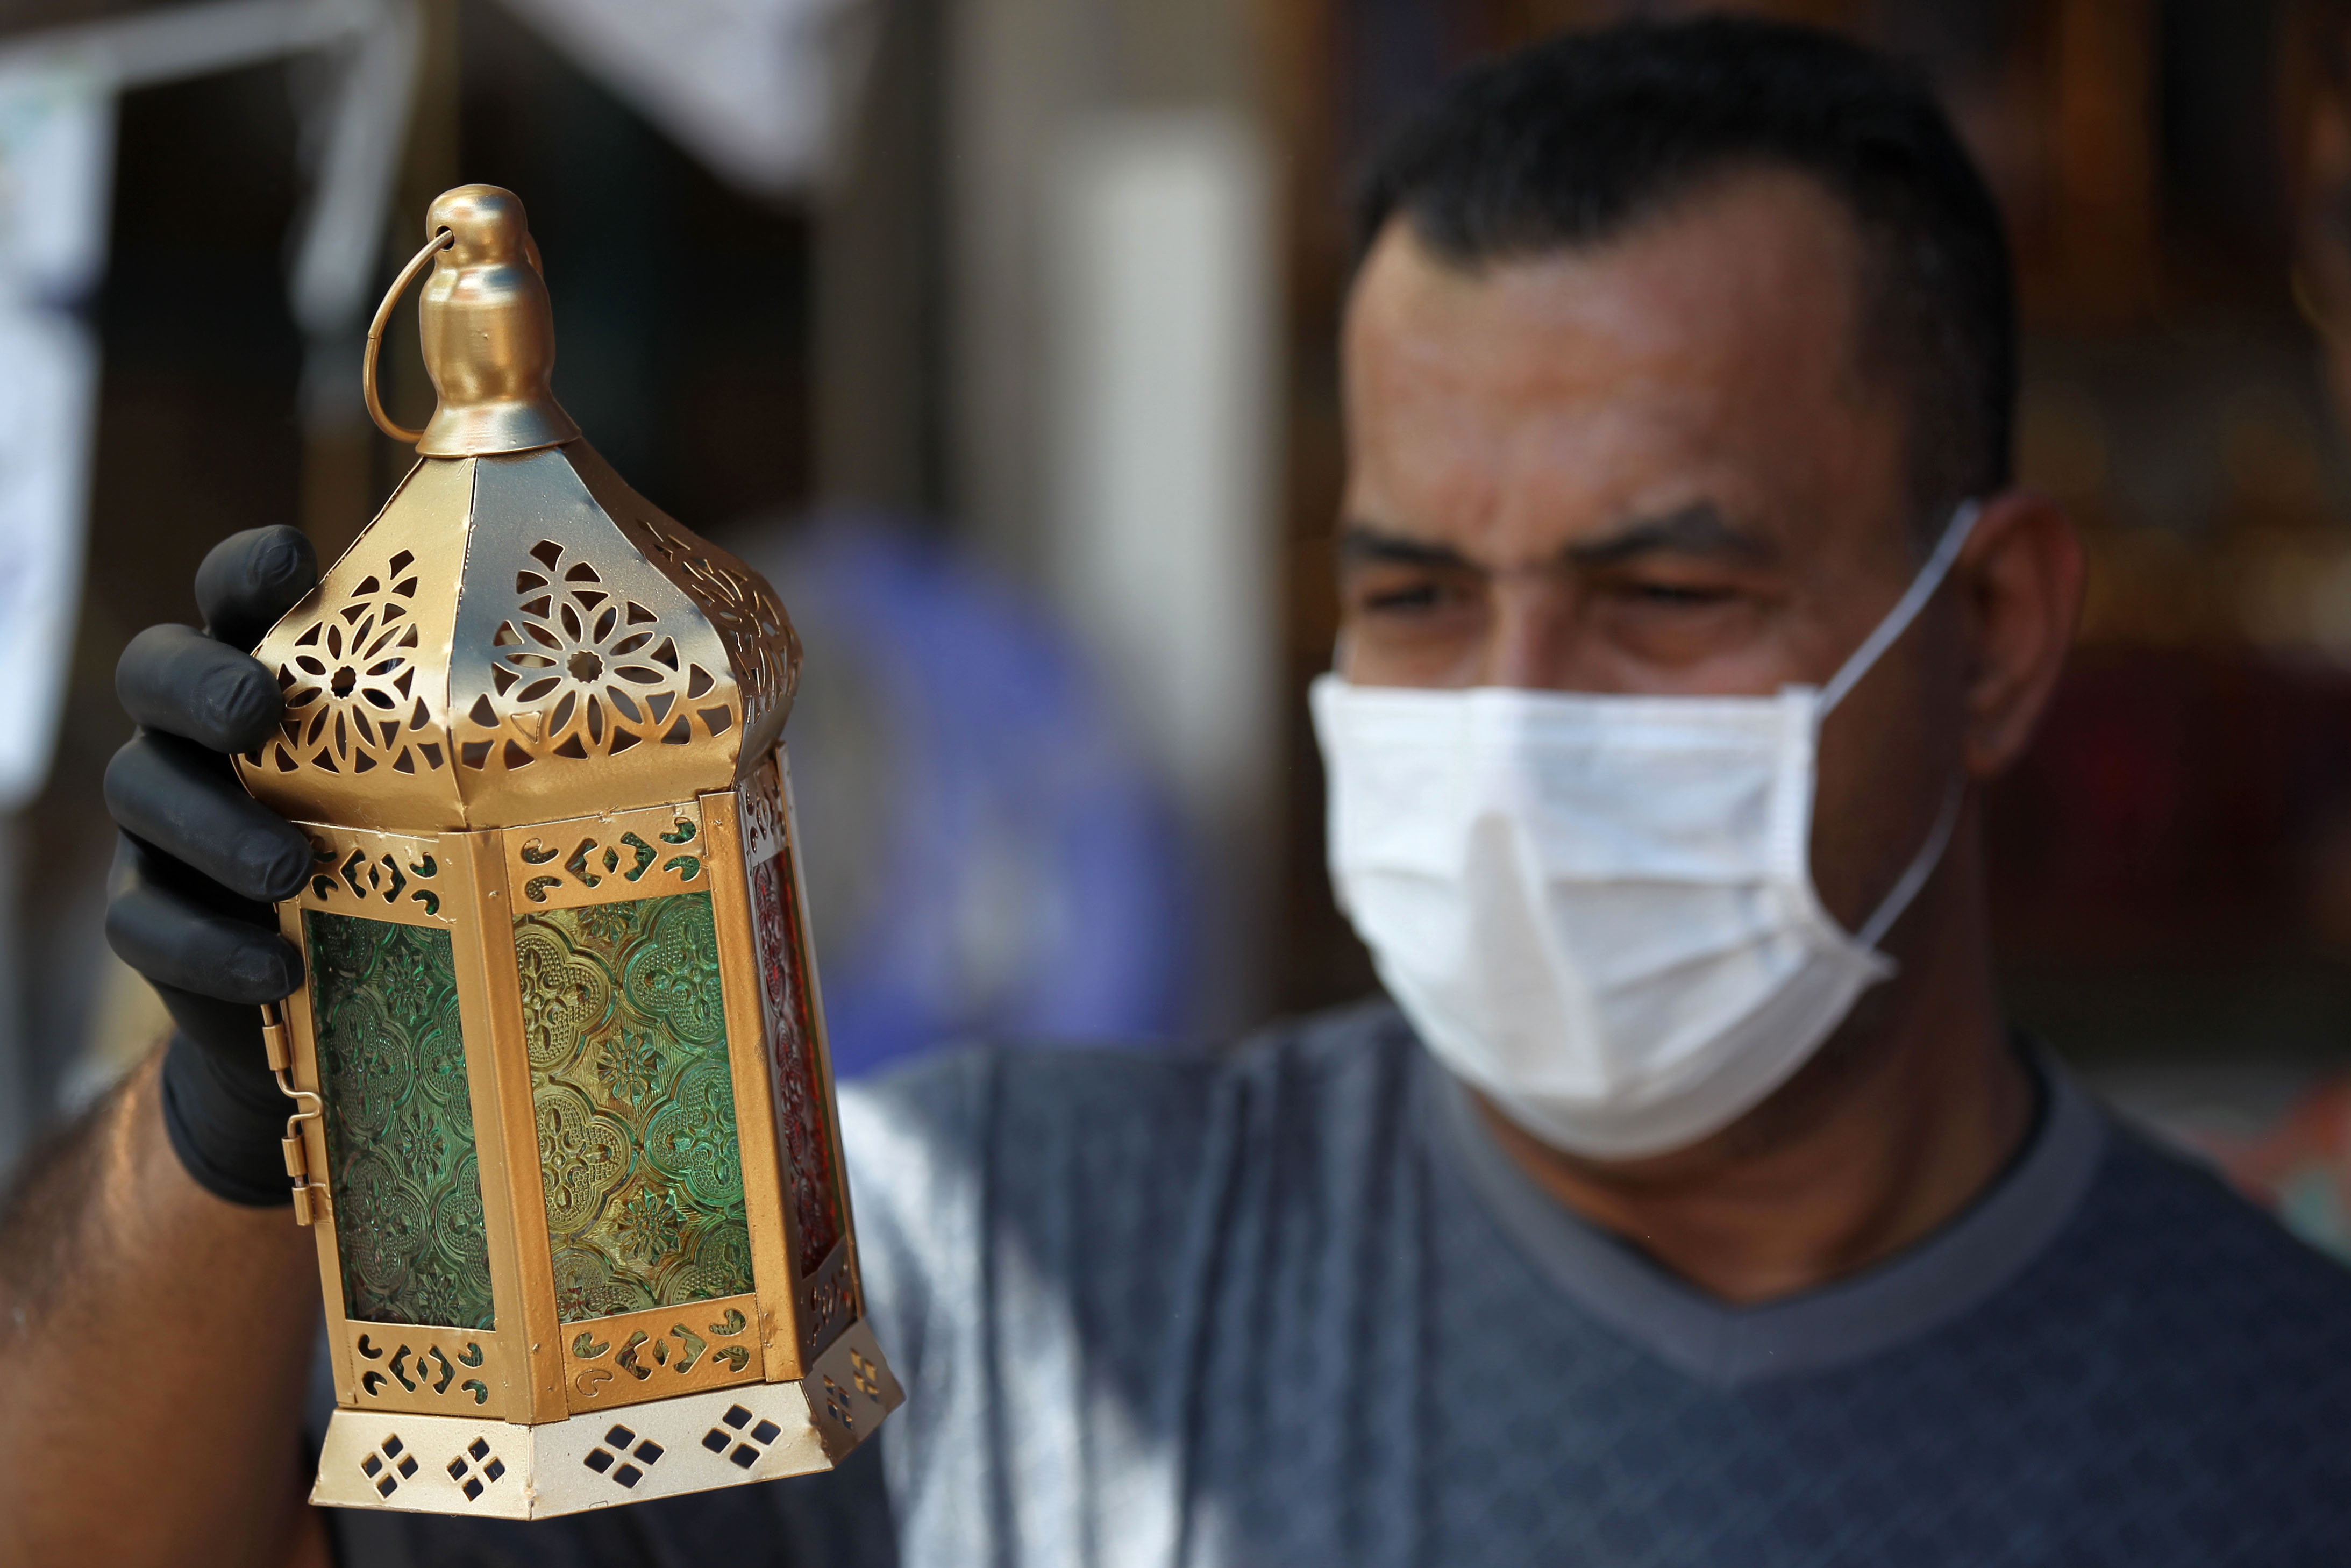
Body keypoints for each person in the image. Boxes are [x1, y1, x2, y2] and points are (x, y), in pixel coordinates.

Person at [8, 16, 2351, 1566]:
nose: (1511, 709)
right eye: (1418, 594)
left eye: (1661, 592)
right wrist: (223, 1145)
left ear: (1995, 636)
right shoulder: (1003, 1280)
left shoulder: (2268, 1436)